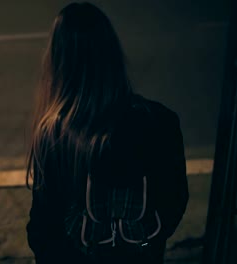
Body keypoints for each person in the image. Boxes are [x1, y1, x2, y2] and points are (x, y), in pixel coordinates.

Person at [26, 2, 189, 263]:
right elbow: (174, 201)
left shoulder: (55, 135)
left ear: (58, 61)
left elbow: (43, 228)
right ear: (112, 53)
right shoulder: (161, 121)